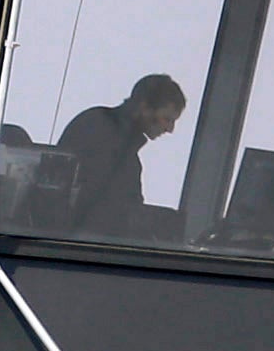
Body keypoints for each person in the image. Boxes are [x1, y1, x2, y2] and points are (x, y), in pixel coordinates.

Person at [43, 73, 189, 233]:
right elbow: (91, 204)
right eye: (167, 119)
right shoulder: (97, 129)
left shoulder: (128, 157)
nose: (170, 129)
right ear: (144, 107)